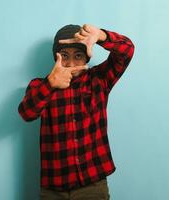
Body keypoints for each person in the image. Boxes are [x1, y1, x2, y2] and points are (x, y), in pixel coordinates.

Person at [18, 24, 135, 200]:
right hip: (53, 189)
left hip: (92, 185)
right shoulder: (39, 86)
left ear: (87, 57)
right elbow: (26, 113)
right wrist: (50, 84)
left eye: (78, 56)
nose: (71, 64)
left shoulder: (99, 79)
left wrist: (101, 36)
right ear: (55, 57)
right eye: (64, 56)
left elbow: (127, 51)